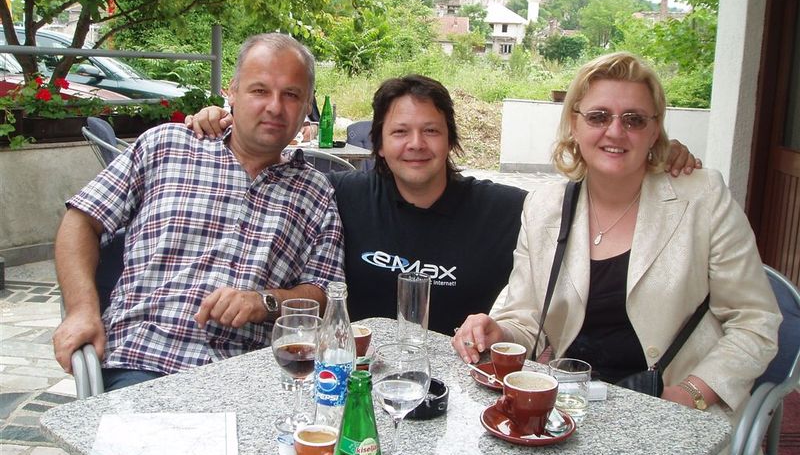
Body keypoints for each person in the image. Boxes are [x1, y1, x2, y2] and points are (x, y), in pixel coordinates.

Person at [452, 52, 779, 455]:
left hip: (676, 412)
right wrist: (499, 332)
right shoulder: (546, 206)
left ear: (655, 129)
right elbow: (525, 315)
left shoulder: (702, 197)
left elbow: (756, 322)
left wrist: (690, 393)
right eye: (599, 116)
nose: (615, 131)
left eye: (634, 120)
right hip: (572, 406)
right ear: (574, 123)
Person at [186, 75, 700, 336]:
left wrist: (650, 159)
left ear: (451, 139)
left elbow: (590, 204)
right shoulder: (340, 194)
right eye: (400, 132)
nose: (416, 145)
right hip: (363, 386)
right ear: (378, 144)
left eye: (431, 131)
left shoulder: (507, 209)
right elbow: (271, 164)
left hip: (467, 387)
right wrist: (219, 122)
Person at [52, 33, 345, 391]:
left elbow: (324, 293)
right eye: (259, 90)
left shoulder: (316, 191)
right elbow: (82, 219)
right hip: (145, 363)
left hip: (247, 377)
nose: (274, 106)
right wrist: (81, 310)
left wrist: (265, 301)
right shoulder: (166, 146)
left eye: (291, 95)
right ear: (231, 92)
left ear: (307, 105)